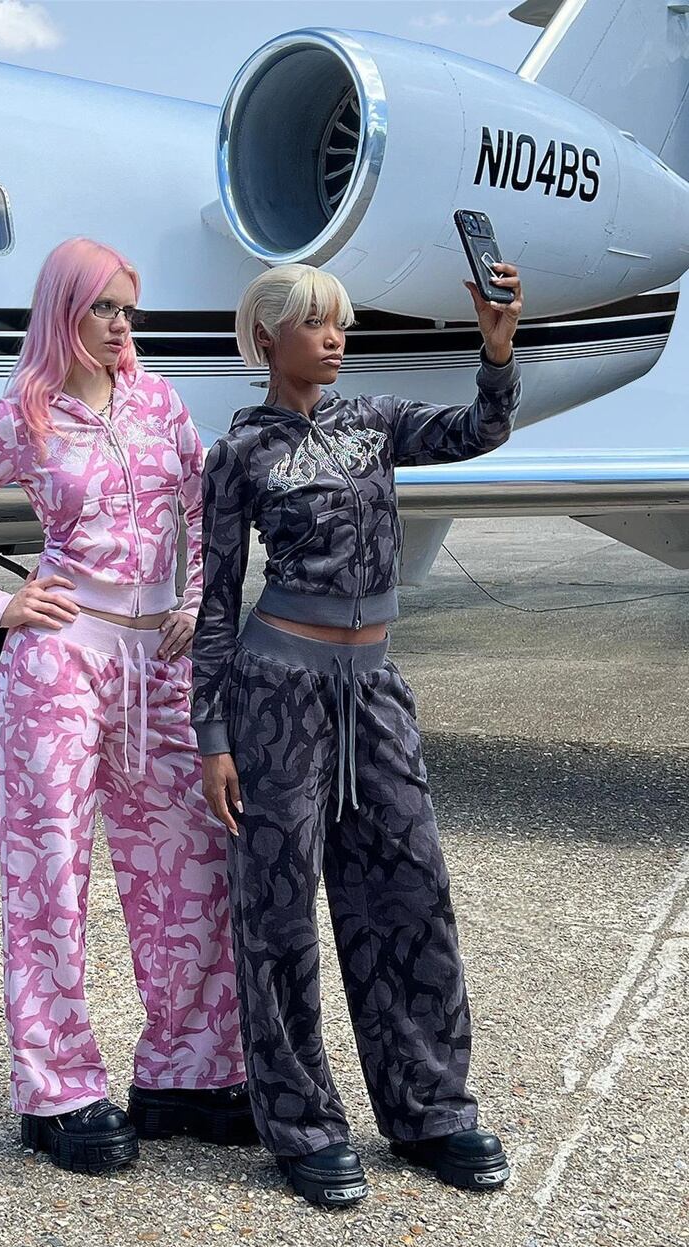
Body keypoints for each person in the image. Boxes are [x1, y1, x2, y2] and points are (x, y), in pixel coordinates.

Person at [0, 237, 252, 1176]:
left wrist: (195, 600)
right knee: (50, 874)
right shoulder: (25, 415)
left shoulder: (160, 403)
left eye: (128, 309)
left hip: (158, 665)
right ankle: (57, 1090)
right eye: (104, 308)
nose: (121, 325)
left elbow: (206, 513)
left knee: (191, 870)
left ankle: (188, 1070)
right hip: (57, 667)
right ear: (65, 310)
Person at [191, 260, 523, 1208]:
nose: (335, 337)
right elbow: (214, 603)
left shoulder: (376, 420)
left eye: (341, 321)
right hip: (276, 692)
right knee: (278, 910)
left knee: (410, 890)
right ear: (268, 337)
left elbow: (479, 429)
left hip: (373, 686)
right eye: (315, 322)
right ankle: (300, 1123)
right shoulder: (238, 453)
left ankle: (430, 1110)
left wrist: (498, 351)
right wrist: (212, 734)